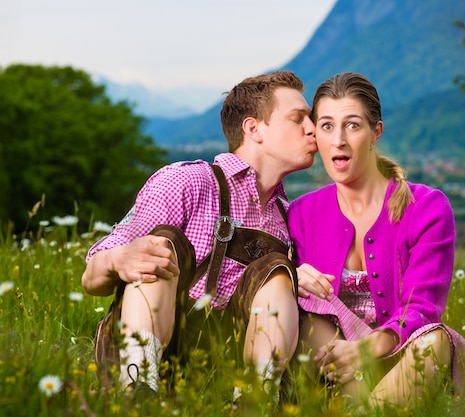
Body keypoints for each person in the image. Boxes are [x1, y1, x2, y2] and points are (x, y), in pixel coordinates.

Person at [81, 70, 317, 397]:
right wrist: (118, 258)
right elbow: (91, 279)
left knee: (277, 272)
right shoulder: (188, 182)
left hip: (226, 371)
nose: (312, 128)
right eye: (298, 118)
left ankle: (257, 398)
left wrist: (298, 279)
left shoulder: (289, 217)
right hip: (162, 351)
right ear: (253, 128)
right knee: (160, 245)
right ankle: (138, 387)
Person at [287, 72, 465, 409]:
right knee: (305, 310)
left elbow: (422, 308)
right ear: (315, 132)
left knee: (434, 342)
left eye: (353, 125)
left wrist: (365, 350)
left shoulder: (427, 208)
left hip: (403, 360)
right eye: (327, 126)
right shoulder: (300, 213)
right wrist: (290, 274)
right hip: (333, 369)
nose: (339, 140)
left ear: (376, 132)